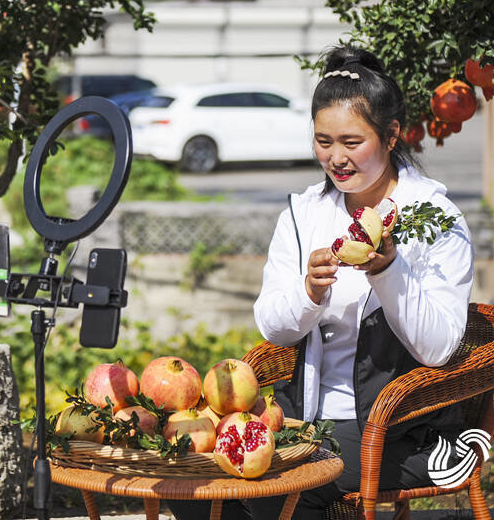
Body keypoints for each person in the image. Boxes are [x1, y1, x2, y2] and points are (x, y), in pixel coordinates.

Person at [168, 46, 474, 520]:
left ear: (391, 136)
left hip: (403, 430)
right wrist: (309, 294)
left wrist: (388, 271)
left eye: (352, 142)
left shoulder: (436, 220)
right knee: (188, 480)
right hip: (304, 419)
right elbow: (273, 326)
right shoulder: (303, 214)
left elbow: (437, 349)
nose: (336, 158)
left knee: (273, 492)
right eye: (324, 141)